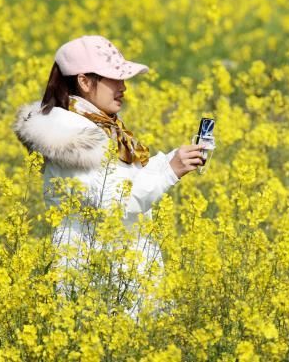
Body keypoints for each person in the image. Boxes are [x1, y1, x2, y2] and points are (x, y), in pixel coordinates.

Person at [12, 35, 205, 320]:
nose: (123, 87)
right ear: (84, 82)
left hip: (118, 263)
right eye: (114, 79)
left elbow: (119, 180)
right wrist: (169, 171)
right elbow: (117, 202)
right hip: (96, 270)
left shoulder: (99, 126)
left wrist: (172, 160)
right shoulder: (74, 138)